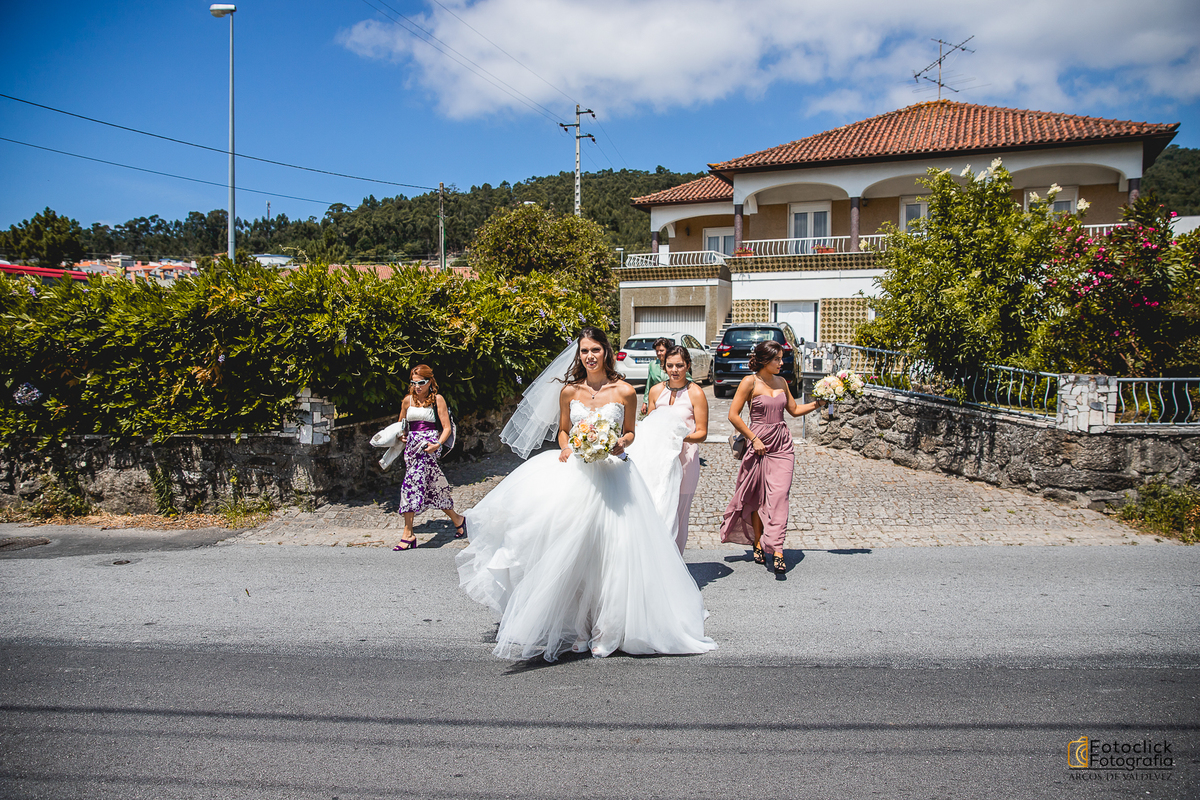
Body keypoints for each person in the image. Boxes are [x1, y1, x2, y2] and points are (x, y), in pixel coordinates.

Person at [456, 327, 717, 661]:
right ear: (578, 355)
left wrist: (620, 442)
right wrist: (567, 447)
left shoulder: (625, 391)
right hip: (576, 475)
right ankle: (579, 626)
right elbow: (564, 431)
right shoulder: (569, 391)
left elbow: (631, 432)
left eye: (595, 349)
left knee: (613, 553)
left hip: (613, 475)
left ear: (606, 352)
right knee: (576, 549)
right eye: (584, 351)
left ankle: (607, 628)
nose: (590, 356)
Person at [719, 341, 826, 574]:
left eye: (781, 358)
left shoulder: (782, 382)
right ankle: (758, 541)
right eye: (777, 358)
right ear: (764, 360)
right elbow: (733, 415)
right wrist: (754, 439)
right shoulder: (750, 382)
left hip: (782, 444)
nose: (781, 362)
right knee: (756, 496)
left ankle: (777, 549)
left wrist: (818, 403)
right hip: (758, 443)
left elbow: (794, 411)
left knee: (779, 495)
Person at [393, 365, 466, 551]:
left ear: (430, 382)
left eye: (421, 382)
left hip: (428, 449)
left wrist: (438, 445)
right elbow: (401, 425)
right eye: (413, 383)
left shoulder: (437, 400)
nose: (417, 386)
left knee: (410, 485)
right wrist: (401, 436)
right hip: (411, 450)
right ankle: (458, 519)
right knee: (434, 488)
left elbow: (447, 428)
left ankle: (408, 534)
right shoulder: (407, 400)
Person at [645, 345, 708, 554]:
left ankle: (676, 560)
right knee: (657, 506)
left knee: (679, 511)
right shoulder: (656, 391)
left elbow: (702, 433)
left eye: (679, 365)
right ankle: (657, 557)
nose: (674, 370)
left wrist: (680, 437)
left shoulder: (696, 393)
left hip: (686, 458)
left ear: (687, 365)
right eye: (670, 365)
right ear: (664, 366)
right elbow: (649, 424)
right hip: (659, 458)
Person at [640, 337, 672, 415]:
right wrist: (645, 402)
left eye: (661, 350)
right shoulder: (652, 365)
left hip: (671, 399)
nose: (659, 353)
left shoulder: (674, 364)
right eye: (657, 351)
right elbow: (649, 384)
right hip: (657, 399)